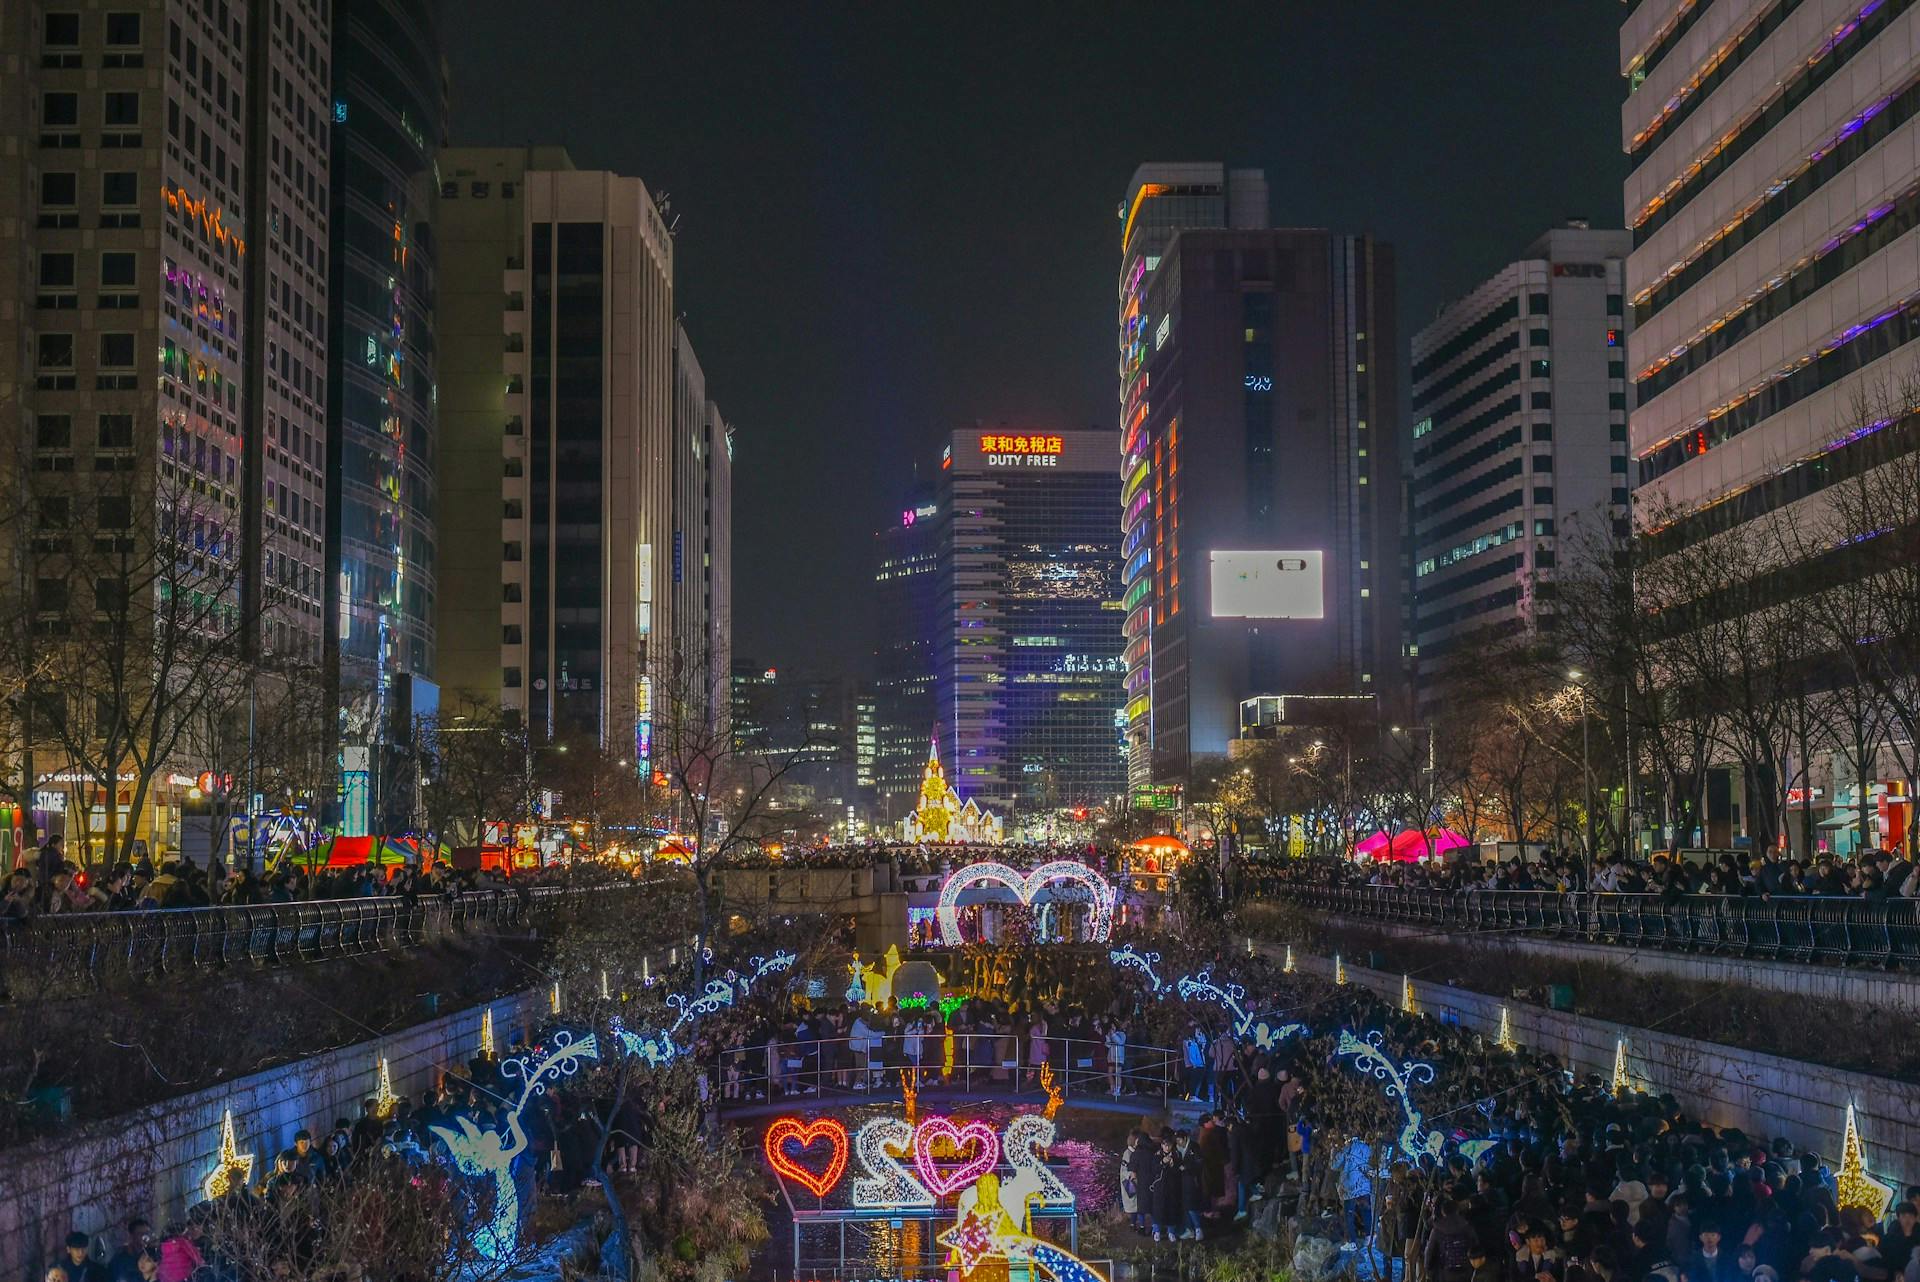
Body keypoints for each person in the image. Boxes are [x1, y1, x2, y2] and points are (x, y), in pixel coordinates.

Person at [1120, 1130, 1145, 1233]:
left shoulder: (1132, 1152)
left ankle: (1135, 1224)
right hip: (1132, 1183)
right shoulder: (1128, 1153)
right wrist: (1132, 1175)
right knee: (1136, 1205)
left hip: (1134, 1182)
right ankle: (1136, 1224)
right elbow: (1125, 1170)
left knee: (1136, 1205)